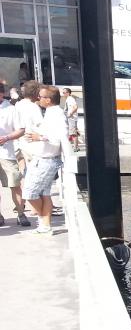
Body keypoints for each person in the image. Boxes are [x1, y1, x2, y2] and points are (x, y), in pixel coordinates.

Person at [22, 85, 65, 234]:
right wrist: (38, 135)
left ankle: (42, 219)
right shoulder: (52, 113)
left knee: (29, 193)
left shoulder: (56, 114)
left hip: (46, 160)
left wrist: (39, 137)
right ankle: (45, 226)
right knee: (44, 193)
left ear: (48, 100)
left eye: (40, 96)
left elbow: (58, 136)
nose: (38, 99)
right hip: (45, 158)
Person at [0, 81, 30, 226]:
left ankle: (20, 213)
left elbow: (21, 130)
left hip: (6, 153)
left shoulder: (11, 109)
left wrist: (6, 137)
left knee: (15, 184)